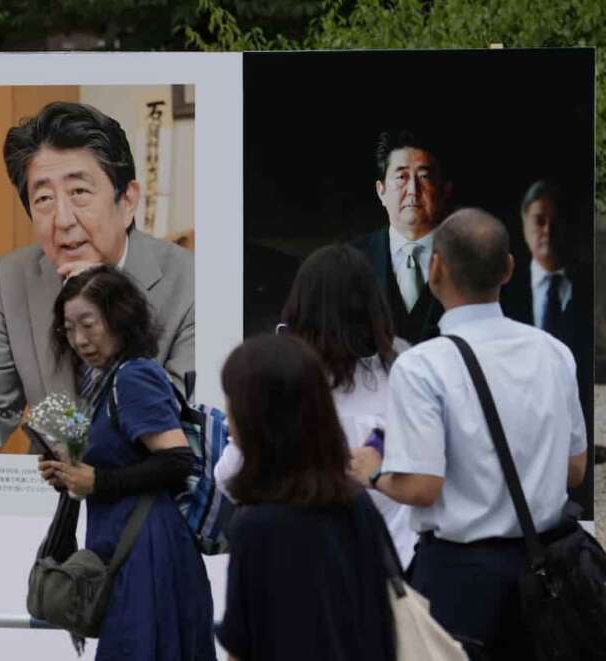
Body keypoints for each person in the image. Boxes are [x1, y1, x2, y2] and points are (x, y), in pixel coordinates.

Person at [351, 208, 587, 660]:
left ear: (434, 268)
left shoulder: (422, 366)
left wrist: (373, 472)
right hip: (546, 571)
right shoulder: (554, 352)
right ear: (510, 269)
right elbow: (575, 470)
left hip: (460, 580)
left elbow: (422, 486)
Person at [0, 101, 194, 453]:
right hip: (46, 488)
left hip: (142, 490)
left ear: (127, 201)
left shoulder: (191, 282)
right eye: (43, 199)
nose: (63, 219)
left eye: (79, 192)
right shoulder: (14, 277)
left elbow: (174, 419)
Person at [37, 265, 214, 661]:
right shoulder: (102, 380)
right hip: (125, 549)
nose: (79, 340)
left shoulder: (132, 377)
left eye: (89, 324)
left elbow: (177, 458)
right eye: (69, 328)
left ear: (120, 319)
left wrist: (98, 482)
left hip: (148, 552)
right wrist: (67, 473)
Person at [216, 244, 416, 568]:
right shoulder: (405, 365)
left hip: (303, 566)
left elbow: (230, 475)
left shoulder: (280, 372)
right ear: (373, 303)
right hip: (395, 567)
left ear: (300, 303)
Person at [216, 334, 395, 661]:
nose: (228, 419)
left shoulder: (255, 527)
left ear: (258, 416)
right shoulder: (357, 504)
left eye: (232, 402)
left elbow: (243, 648)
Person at [501, 180, 599, 469]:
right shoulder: (503, 289)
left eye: (556, 222)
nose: (547, 231)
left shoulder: (592, 285)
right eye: (539, 221)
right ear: (523, 225)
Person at [352, 129, 452, 345]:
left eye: (424, 177)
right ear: (381, 191)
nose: (413, 190)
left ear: (445, 190)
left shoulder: (468, 258)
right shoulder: (351, 260)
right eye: (401, 177)